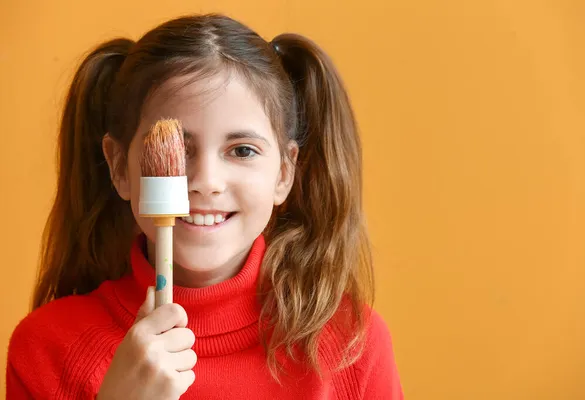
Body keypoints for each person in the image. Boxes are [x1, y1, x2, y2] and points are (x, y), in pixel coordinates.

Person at [6, 13, 402, 399]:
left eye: (242, 150)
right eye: (181, 147)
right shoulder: (47, 347)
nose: (205, 182)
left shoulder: (352, 346)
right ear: (118, 167)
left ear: (284, 173)